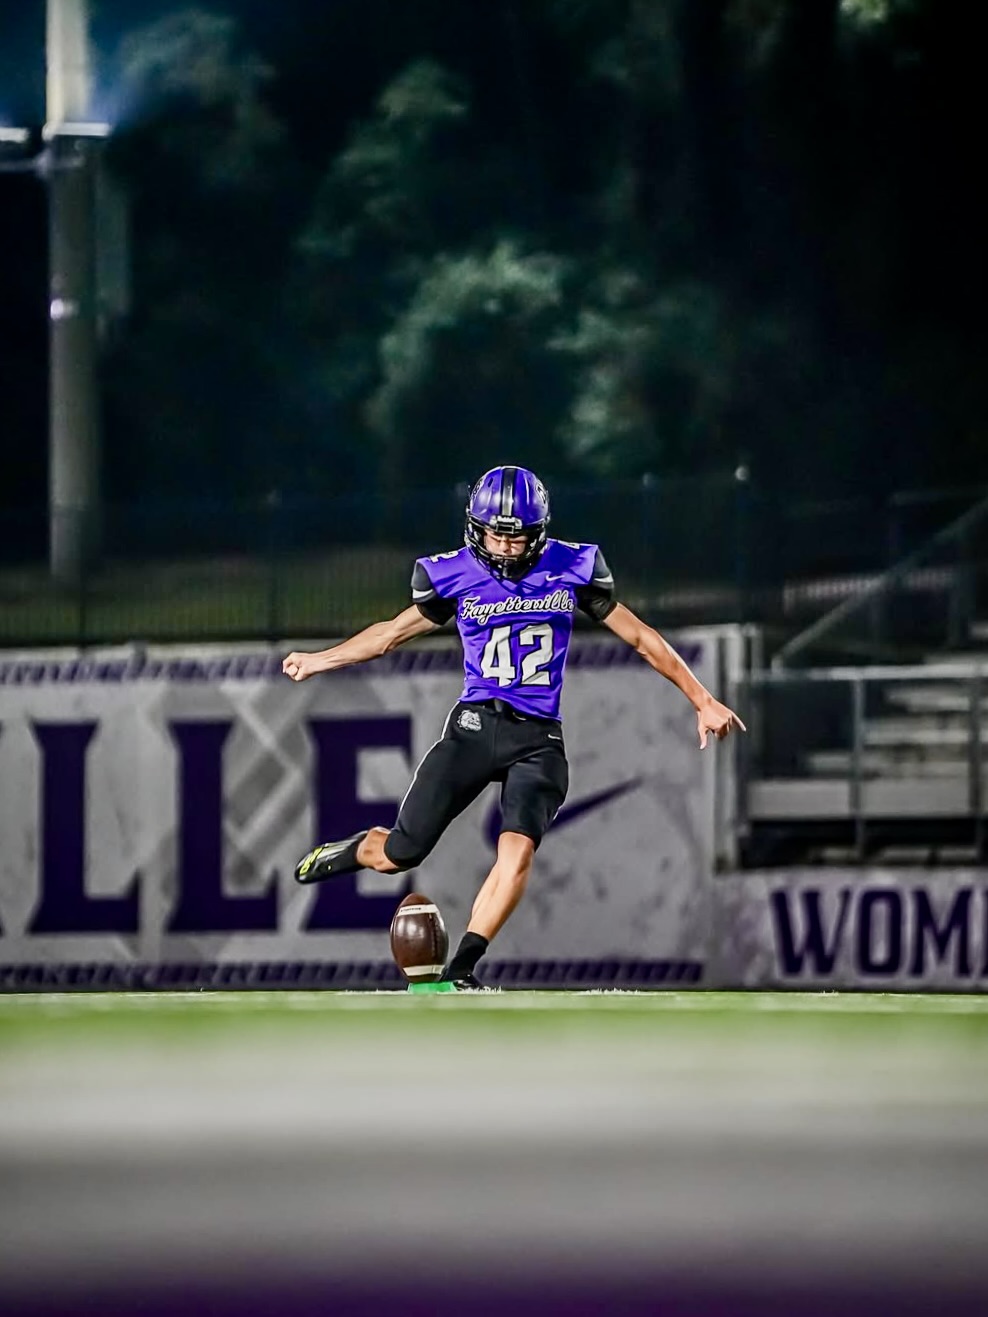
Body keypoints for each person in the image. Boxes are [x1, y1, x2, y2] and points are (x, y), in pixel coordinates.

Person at [283, 465, 745, 990]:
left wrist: (702, 699)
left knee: (516, 851)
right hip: (475, 726)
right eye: (495, 532)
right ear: (476, 527)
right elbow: (390, 635)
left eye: (516, 534)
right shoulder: (452, 573)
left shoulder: (573, 566)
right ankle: (355, 850)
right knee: (399, 855)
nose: (504, 545)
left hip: (538, 738)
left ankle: (461, 970)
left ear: (538, 531)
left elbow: (640, 637)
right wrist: (321, 659)